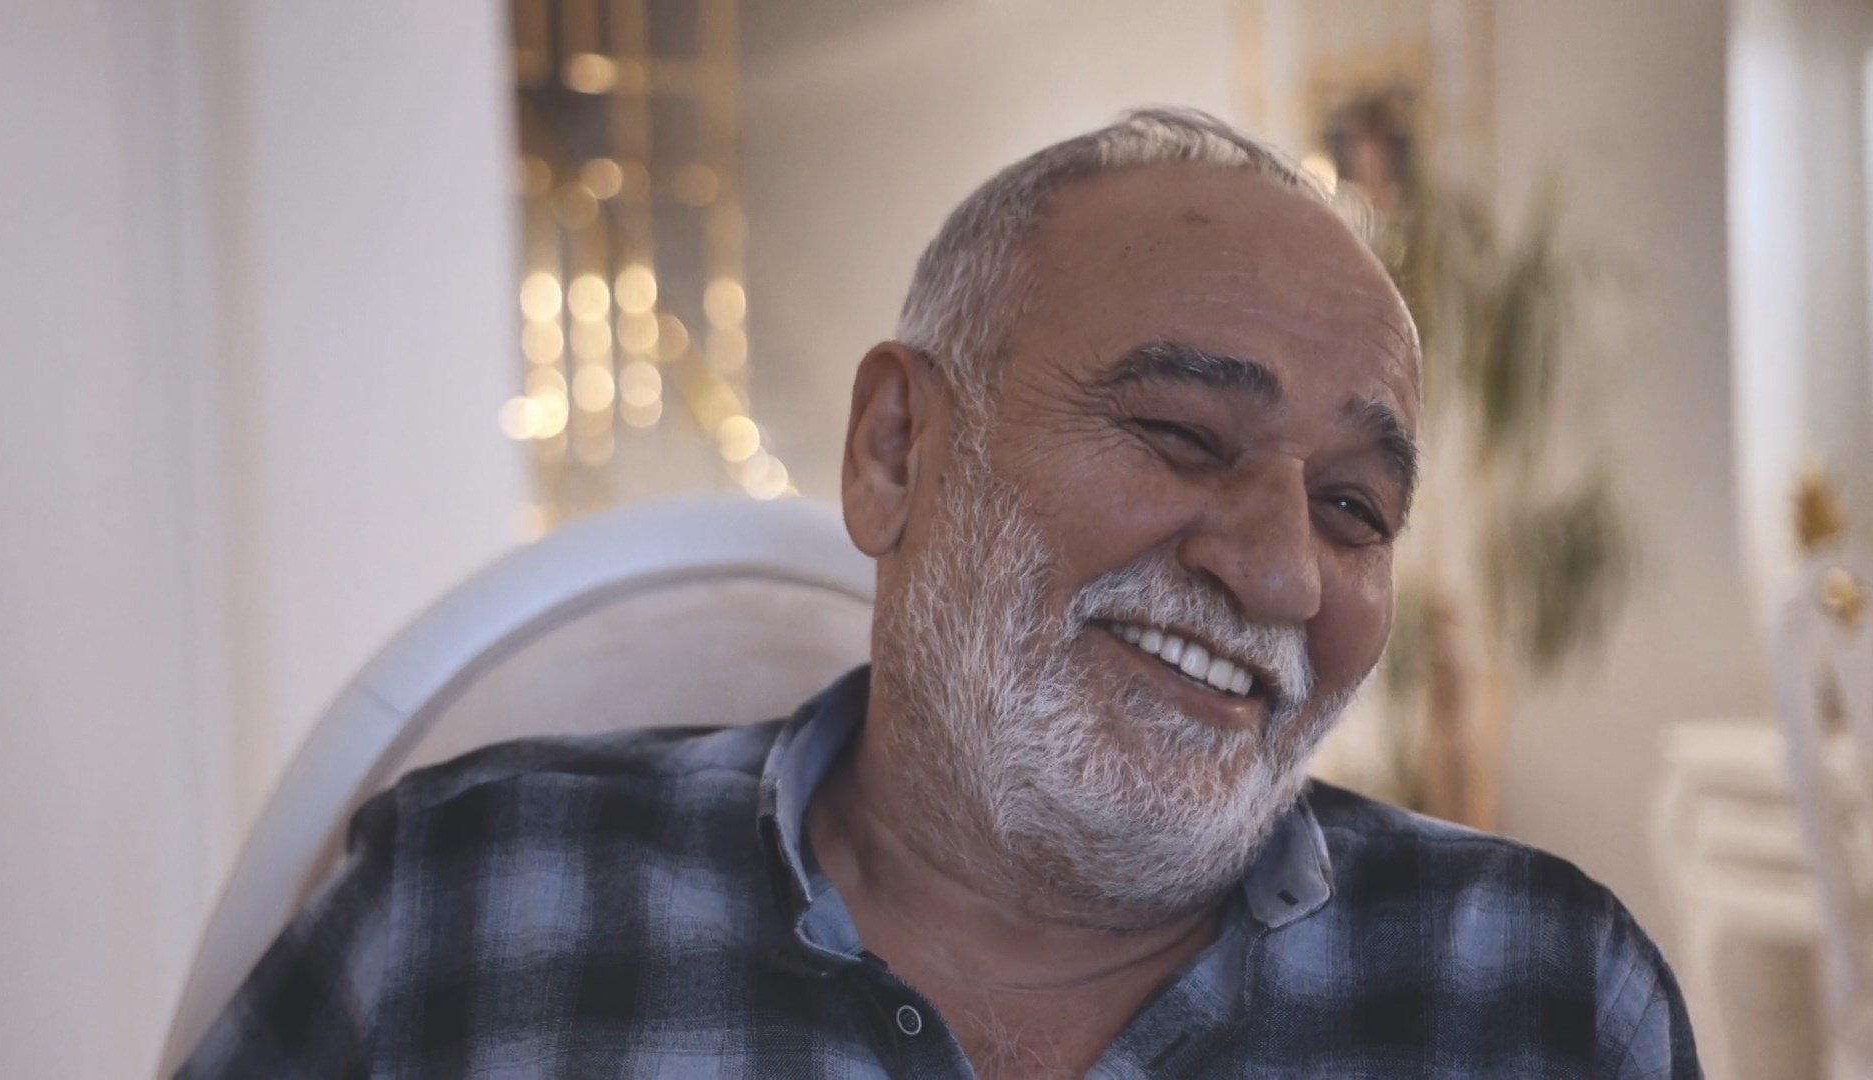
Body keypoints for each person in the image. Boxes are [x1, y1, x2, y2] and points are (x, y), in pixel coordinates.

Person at [179, 108, 1697, 1078]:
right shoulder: (471, 904)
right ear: (896, 450)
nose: (1284, 569)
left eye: (1355, 508)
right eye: (1181, 435)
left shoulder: (1537, 993)